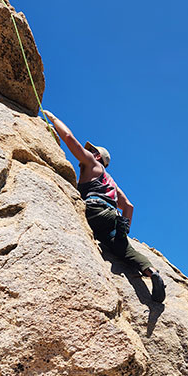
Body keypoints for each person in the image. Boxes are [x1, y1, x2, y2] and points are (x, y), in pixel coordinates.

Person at [44, 110, 166, 302]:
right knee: (125, 251)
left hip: (93, 211)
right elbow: (128, 205)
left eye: (93, 151)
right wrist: (124, 228)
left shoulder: (92, 164)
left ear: (98, 157)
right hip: (112, 218)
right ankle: (152, 273)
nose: (89, 153)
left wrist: (53, 119)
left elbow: (68, 138)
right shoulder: (111, 182)